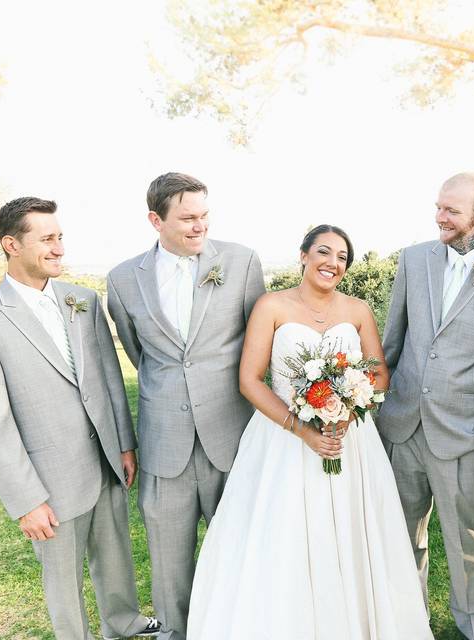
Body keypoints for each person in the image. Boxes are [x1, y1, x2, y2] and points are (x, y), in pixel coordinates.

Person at [186, 225, 433, 639]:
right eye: (323, 251)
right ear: (303, 255)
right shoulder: (271, 306)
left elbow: (379, 374)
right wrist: (301, 428)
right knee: (284, 537)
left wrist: (348, 406)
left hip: (349, 442)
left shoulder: (357, 310)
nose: (332, 263)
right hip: (282, 441)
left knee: (353, 533)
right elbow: (250, 379)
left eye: (341, 257)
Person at [0, 197, 159, 640]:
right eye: (47, 239)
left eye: (60, 237)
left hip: (105, 462)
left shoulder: (83, 300)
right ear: (11, 244)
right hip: (48, 481)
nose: (59, 248)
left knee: (116, 557)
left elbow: (108, 377)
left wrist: (124, 444)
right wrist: (26, 500)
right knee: (63, 582)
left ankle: (124, 624)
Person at [106, 172, 265, 640]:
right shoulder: (121, 280)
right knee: (168, 561)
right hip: (163, 443)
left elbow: (260, 346)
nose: (200, 227)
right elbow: (140, 356)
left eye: (204, 215)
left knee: (238, 552)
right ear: (156, 220)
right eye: (188, 218)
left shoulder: (241, 262)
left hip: (232, 438)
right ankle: (175, 633)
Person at [378, 172, 474, 640]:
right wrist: (377, 409)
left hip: (466, 437)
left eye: (451, 210)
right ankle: (408, 621)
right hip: (403, 425)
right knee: (402, 534)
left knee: (469, 542)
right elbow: (394, 340)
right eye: (438, 207)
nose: (440, 217)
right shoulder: (413, 260)